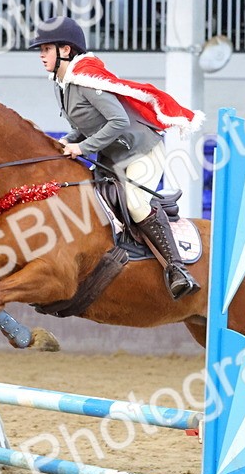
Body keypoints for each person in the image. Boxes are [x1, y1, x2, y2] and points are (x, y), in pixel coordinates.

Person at [28, 16, 202, 300]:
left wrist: (82, 149)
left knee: (134, 203)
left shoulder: (85, 81)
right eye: (42, 49)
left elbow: (118, 121)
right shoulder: (63, 84)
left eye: (46, 48)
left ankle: (177, 269)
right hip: (113, 154)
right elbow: (84, 125)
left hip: (140, 150)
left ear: (66, 51)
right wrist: (67, 141)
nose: (41, 55)